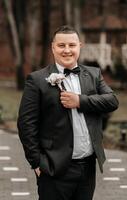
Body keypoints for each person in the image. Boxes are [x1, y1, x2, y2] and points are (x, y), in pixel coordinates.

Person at [17, 25, 119, 200]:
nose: (67, 50)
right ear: (53, 47)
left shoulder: (93, 75)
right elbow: (26, 124)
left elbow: (112, 101)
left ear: (80, 46)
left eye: (72, 45)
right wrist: (37, 163)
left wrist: (80, 101)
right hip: (54, 169)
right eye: (61, 45)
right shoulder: (37, 80)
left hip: (87, 168)